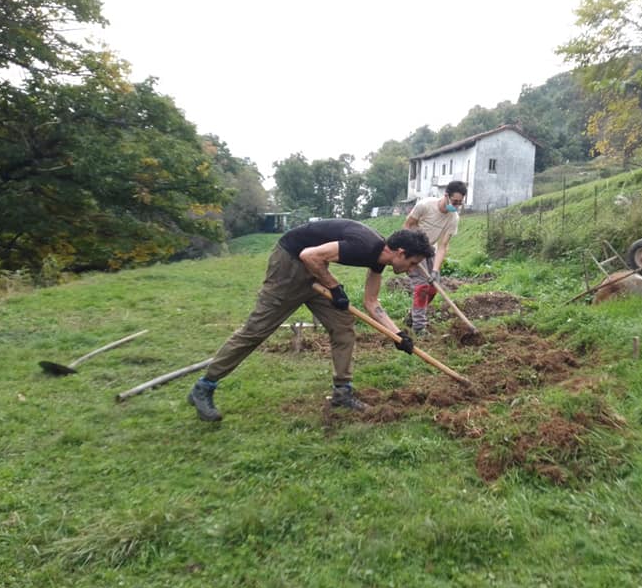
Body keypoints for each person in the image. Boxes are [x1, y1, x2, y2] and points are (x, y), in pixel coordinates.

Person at [187, 219, 433, 422]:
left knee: (343, 326)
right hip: (289, 265)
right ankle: (204, 386)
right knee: (256, 331)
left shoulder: (379, 257)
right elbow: (308, 255)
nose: (412, 269)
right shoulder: (365, 246)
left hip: (314, 271)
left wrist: (397, 335)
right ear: (400, 253)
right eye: (412, 263)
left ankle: (342, 392)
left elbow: (372, 302)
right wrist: (335, 288)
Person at [402, 180, 467, 334]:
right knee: (422, 286)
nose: (456, 206)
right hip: (413, 248)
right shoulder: (425, 206)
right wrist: (410, 251)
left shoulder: (453, 218)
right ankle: (419, 327)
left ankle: (413, 316)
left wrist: (435, 270)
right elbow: (407, 226)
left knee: (433, 288)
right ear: (446, 196)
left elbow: (443, 245)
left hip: (430, 249)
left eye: (460, 203)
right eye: (455, 201)